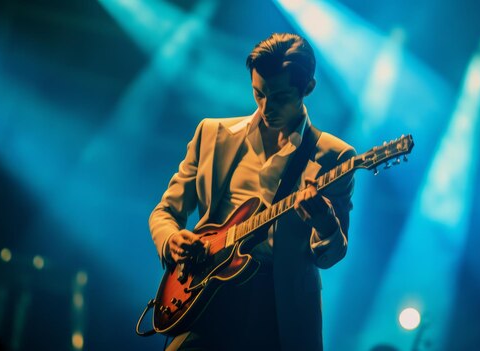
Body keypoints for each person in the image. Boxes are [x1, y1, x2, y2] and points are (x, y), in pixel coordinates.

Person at [149, 33, 355, 351]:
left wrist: (323, 218)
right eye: (259, 93)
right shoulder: (212, 134)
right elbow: (165, 212)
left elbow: (333, 253)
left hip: (276, 309)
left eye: (280, 97)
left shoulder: (334, 155)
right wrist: (171, 240)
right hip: (205, 293)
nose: (266, 107)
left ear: (308, 88)